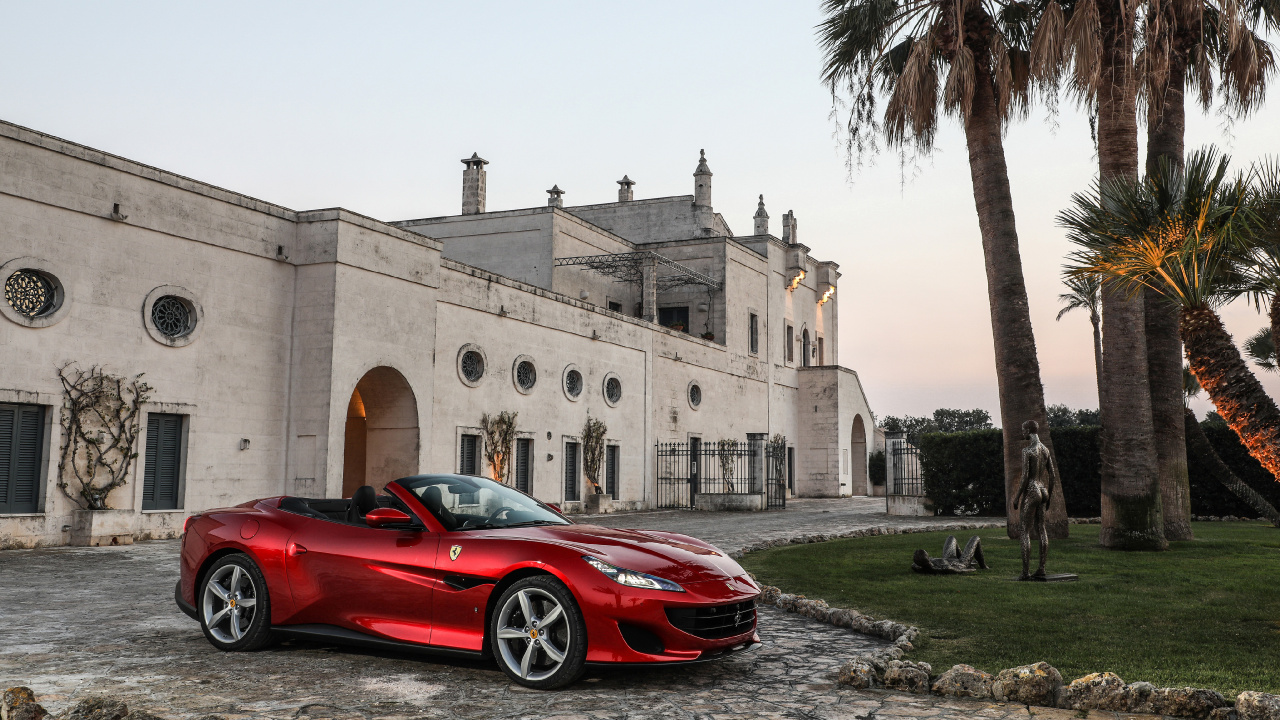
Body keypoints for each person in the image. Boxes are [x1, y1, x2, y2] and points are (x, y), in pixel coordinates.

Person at [1013, 419, 1057, 580]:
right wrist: (1049, 496)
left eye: (1023, 429)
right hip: (1043, 489)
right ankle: (1041, 568)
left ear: (1029, 430)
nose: (1022, 432)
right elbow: (1052, 475)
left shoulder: (1028, 451)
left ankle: (1025, 572)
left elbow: (1025, 477)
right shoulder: (1045, 450)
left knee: (1024, 531)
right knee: (1041, 529)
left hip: (1032, 490)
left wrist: (1017, 496)